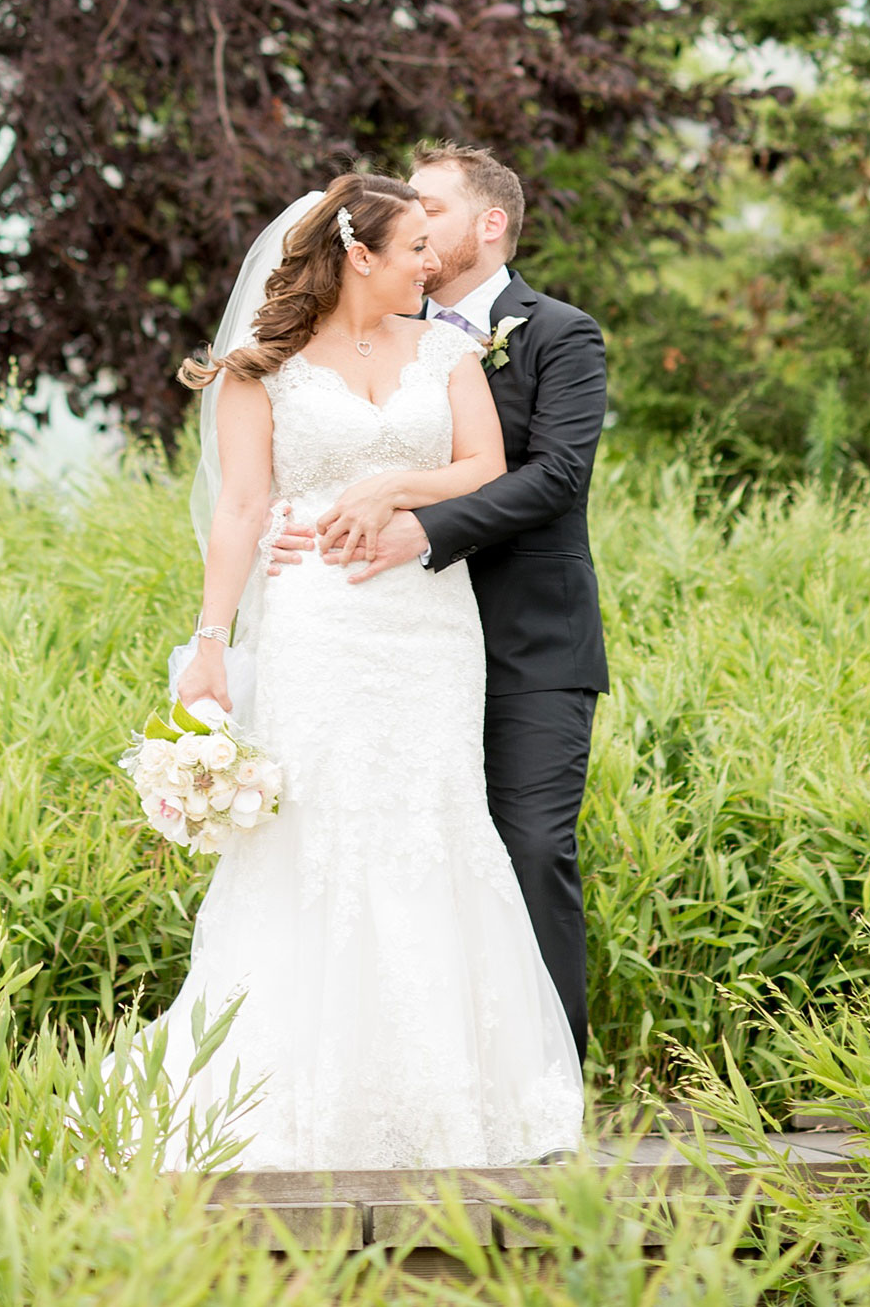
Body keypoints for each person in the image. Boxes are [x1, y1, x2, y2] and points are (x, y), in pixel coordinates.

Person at [154, 173, 582, 1171]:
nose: (431, 265)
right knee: (322, 826)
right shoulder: (259, 368)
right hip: (316, 619)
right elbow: (240, 507)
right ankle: (293, 1089)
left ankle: (446, 1093)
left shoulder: (445, 349)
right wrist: (210, 639)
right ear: (357, 256)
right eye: (411, 251)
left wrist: (396, 481)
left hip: (428, 621)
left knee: (431, 818)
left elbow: (482, 463)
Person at [276, 145, 607, 1067]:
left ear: (488, 223)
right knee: (398, 847)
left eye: (431, 208)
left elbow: (558, 475)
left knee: (528, 848)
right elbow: (295, 452)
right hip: (391, 637)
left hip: (531, 638)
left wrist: (420, 525)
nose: (414, 226)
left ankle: (547, 1086)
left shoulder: (560, 333)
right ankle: (403, 1070)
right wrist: (289, 531)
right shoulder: (364, 328)